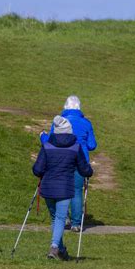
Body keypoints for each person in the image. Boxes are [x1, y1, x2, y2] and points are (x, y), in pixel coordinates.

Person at [33, 115, 93, 260]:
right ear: (69, 131)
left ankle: (61, 250)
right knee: (59, 218)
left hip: (47, 188)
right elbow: (84, 169)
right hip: (65, 188)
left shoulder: (47, 146)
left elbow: (37, 169)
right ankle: (54, 247)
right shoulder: (75, 147)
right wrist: (90, 171)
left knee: (55, 219)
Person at [40, 95, 97, 232]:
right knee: (77, 191)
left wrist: (42, 136)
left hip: (61, 159)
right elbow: (92, 145)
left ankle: (63, 217)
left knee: (62, 189)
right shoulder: (86, 123)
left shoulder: (59, 122)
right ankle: (76, 223)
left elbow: (51, 141)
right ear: (79, 107)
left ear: (66, 106)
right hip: (79, 159)